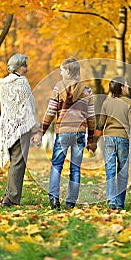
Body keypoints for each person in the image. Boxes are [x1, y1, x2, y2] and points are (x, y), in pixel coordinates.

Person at [33, 58, 95, 210]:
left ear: (68, 71)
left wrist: (41, 132)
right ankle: (71, 202)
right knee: (75, 167)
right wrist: (92, 139)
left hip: (63, 132)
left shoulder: (58, 88)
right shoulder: (87, 90)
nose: (60, 73)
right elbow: (91, 117)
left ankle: (54, 199)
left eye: (61, 70)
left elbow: (50, 112)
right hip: (80, 133)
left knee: (56, 166)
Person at [95, 76, 131, 210]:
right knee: (122, 171)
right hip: (123, 138)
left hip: (109, 139)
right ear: (122, 87)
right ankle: (120, 203)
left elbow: (100, 124)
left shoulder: (106, 103)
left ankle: (111, 201)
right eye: (126, 85)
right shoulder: (128, 102)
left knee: (110, 170)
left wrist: (94, 141)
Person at [0, 53, 39, 207]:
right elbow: (28, 108)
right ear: (17, 67)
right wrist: (35, 129)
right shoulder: (22, 83)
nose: (27, 69)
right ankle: (12, 198)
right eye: (24, 66)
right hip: (22, 127)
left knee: (14, 161)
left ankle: (8, 193)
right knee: (19, 162)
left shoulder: (4, 83)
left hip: (8, 126)